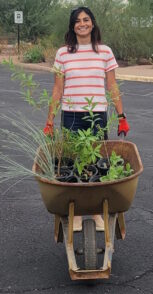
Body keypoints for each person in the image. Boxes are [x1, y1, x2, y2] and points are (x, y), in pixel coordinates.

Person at [44, 6, 130, 231]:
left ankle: (94, 212)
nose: (82, 23)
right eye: (77, 21)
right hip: (71, 116)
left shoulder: (105, 52)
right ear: (72, 26)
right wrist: (50, 120)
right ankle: (77, 214)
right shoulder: (63, 54)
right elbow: (57, 89)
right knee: (73, 164)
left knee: (96, 162)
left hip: (97, 116)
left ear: (92, 23)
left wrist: (121, 116)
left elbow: (112, 86)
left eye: (86, 19)